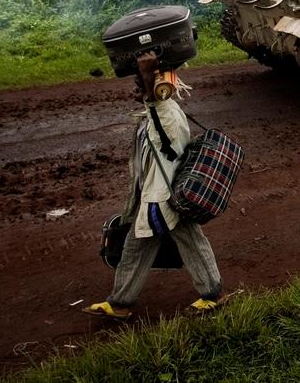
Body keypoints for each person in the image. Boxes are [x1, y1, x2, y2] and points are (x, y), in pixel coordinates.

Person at [83, 51, 223, 318]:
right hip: (159, 196)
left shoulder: (165, 114)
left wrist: (149, 73)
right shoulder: (161, 112)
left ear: (158, 89)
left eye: (142, 87)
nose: (138, 91)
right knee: (142, 245)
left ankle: (212, 295)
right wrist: (145, 76)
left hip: (164, 198)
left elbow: (155, 103)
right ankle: (121, 302)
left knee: (174, 243)